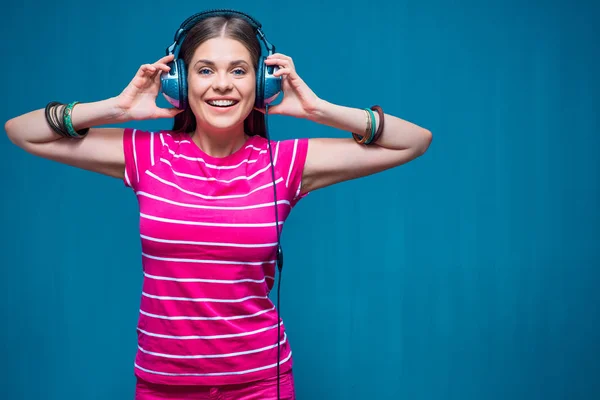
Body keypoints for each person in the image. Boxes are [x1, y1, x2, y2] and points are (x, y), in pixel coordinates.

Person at [4, 9, 432, 400]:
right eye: (205, 70)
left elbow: (414, 141)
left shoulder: (283, 164)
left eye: (240, 70)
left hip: (260, 382)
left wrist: (322, 110)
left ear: (261, 84)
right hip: (161, 383)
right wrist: (114, 108)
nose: (222, 84)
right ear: (181, 82)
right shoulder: (147, 155)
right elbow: (22, 131)